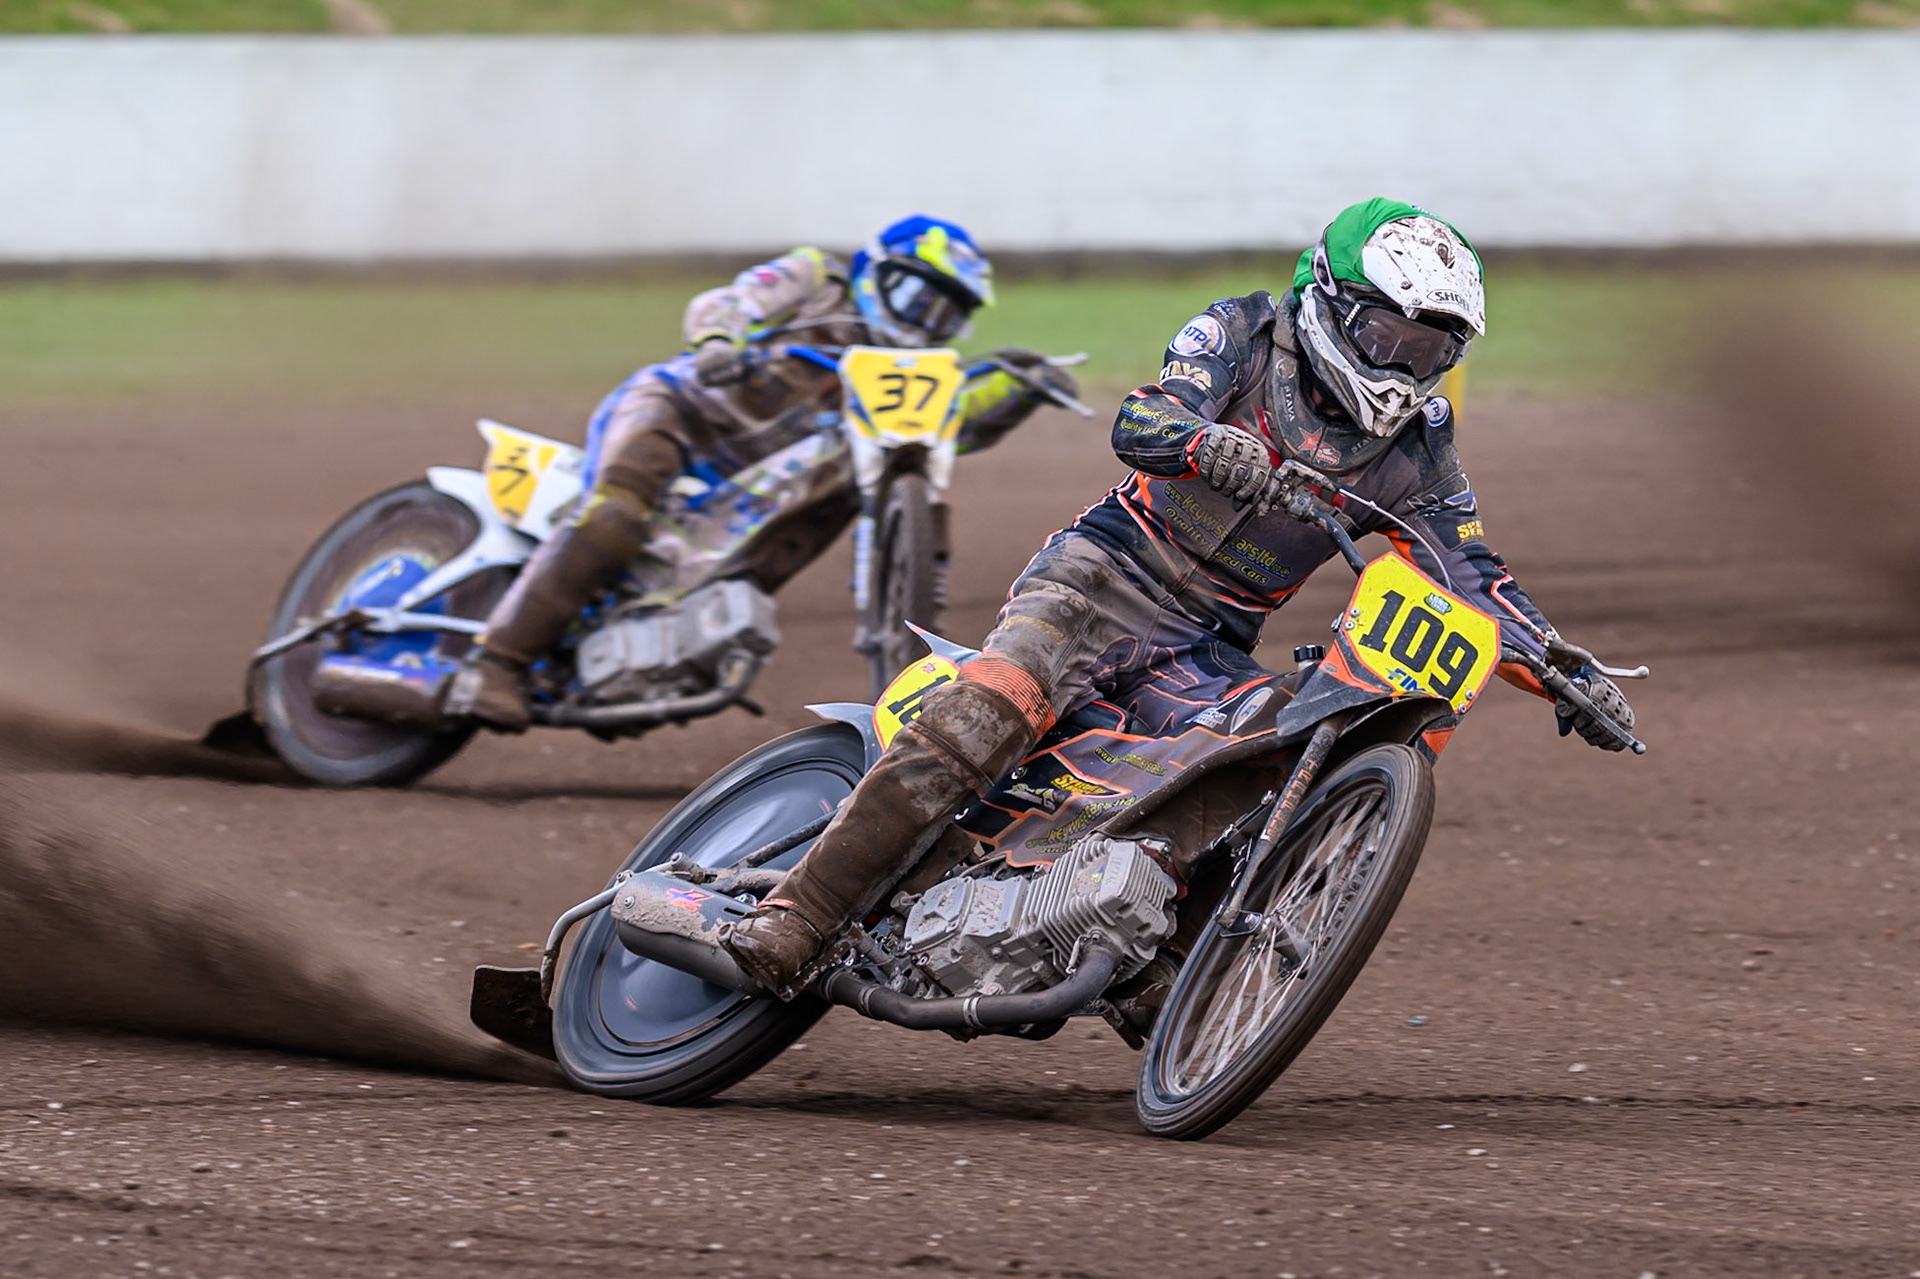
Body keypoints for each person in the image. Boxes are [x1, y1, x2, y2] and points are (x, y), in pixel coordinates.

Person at [723, 197, 1638, 998]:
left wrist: (1562, 669)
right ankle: (799, 912)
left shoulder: (1422, 442)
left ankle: (1154, 971)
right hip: (1104, 577)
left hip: (1211, 639)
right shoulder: (1241, 330)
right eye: (1387, 337)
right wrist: (1204, 443)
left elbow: (1470, 573)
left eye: (1430, 348)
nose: (1404, 365)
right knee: (992, 706)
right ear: (1325, 300)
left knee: (1268, 757)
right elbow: (1141, 418)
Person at [443, 215, 1078, 730]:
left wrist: (1020, 393)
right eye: (917, 296)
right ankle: (495, 661)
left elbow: (946, 432)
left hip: (751, 487)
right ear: (876, 273)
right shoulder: (814, 276)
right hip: (684, 409)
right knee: (615, 513)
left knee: (788, 536)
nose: (925, 322)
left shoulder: (899, 373)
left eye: (946, 315)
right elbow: (734, 299)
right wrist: (719, 342)